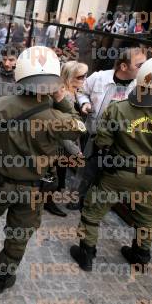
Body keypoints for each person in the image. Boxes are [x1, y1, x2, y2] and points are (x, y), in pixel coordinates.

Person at [0, 46, 87, 296]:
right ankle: (1, 278)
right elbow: (79, 128)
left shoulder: (0, 105)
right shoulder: (56, 117)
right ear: (53, 82)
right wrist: (63, 100)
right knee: (18, 235)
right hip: (32, 189)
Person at [70, 56, 152, 272]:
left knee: (93, 213)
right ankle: (140, 256)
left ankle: (86, 254)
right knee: (147, 219)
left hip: (116, 173)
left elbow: (102, 143)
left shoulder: (120, 108)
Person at [77, 45, 147, 118]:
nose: (144, 68)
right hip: (90, 127)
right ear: (124, 67)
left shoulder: (140, 88)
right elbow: (80, 91)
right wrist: (85, 102)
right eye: (140, 65)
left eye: (145, 64)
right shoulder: (99, 77)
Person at [60, 61, 89, 211]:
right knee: (56, 175)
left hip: (70, 141)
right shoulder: (65, 96)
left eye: (85, 76)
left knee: (60, 173)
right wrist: (74, 150)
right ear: (69, 76)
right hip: (62, 144)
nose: (84, 79)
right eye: (80, 76)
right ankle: (48, 203)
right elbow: (61, 127)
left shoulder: (74, 92)